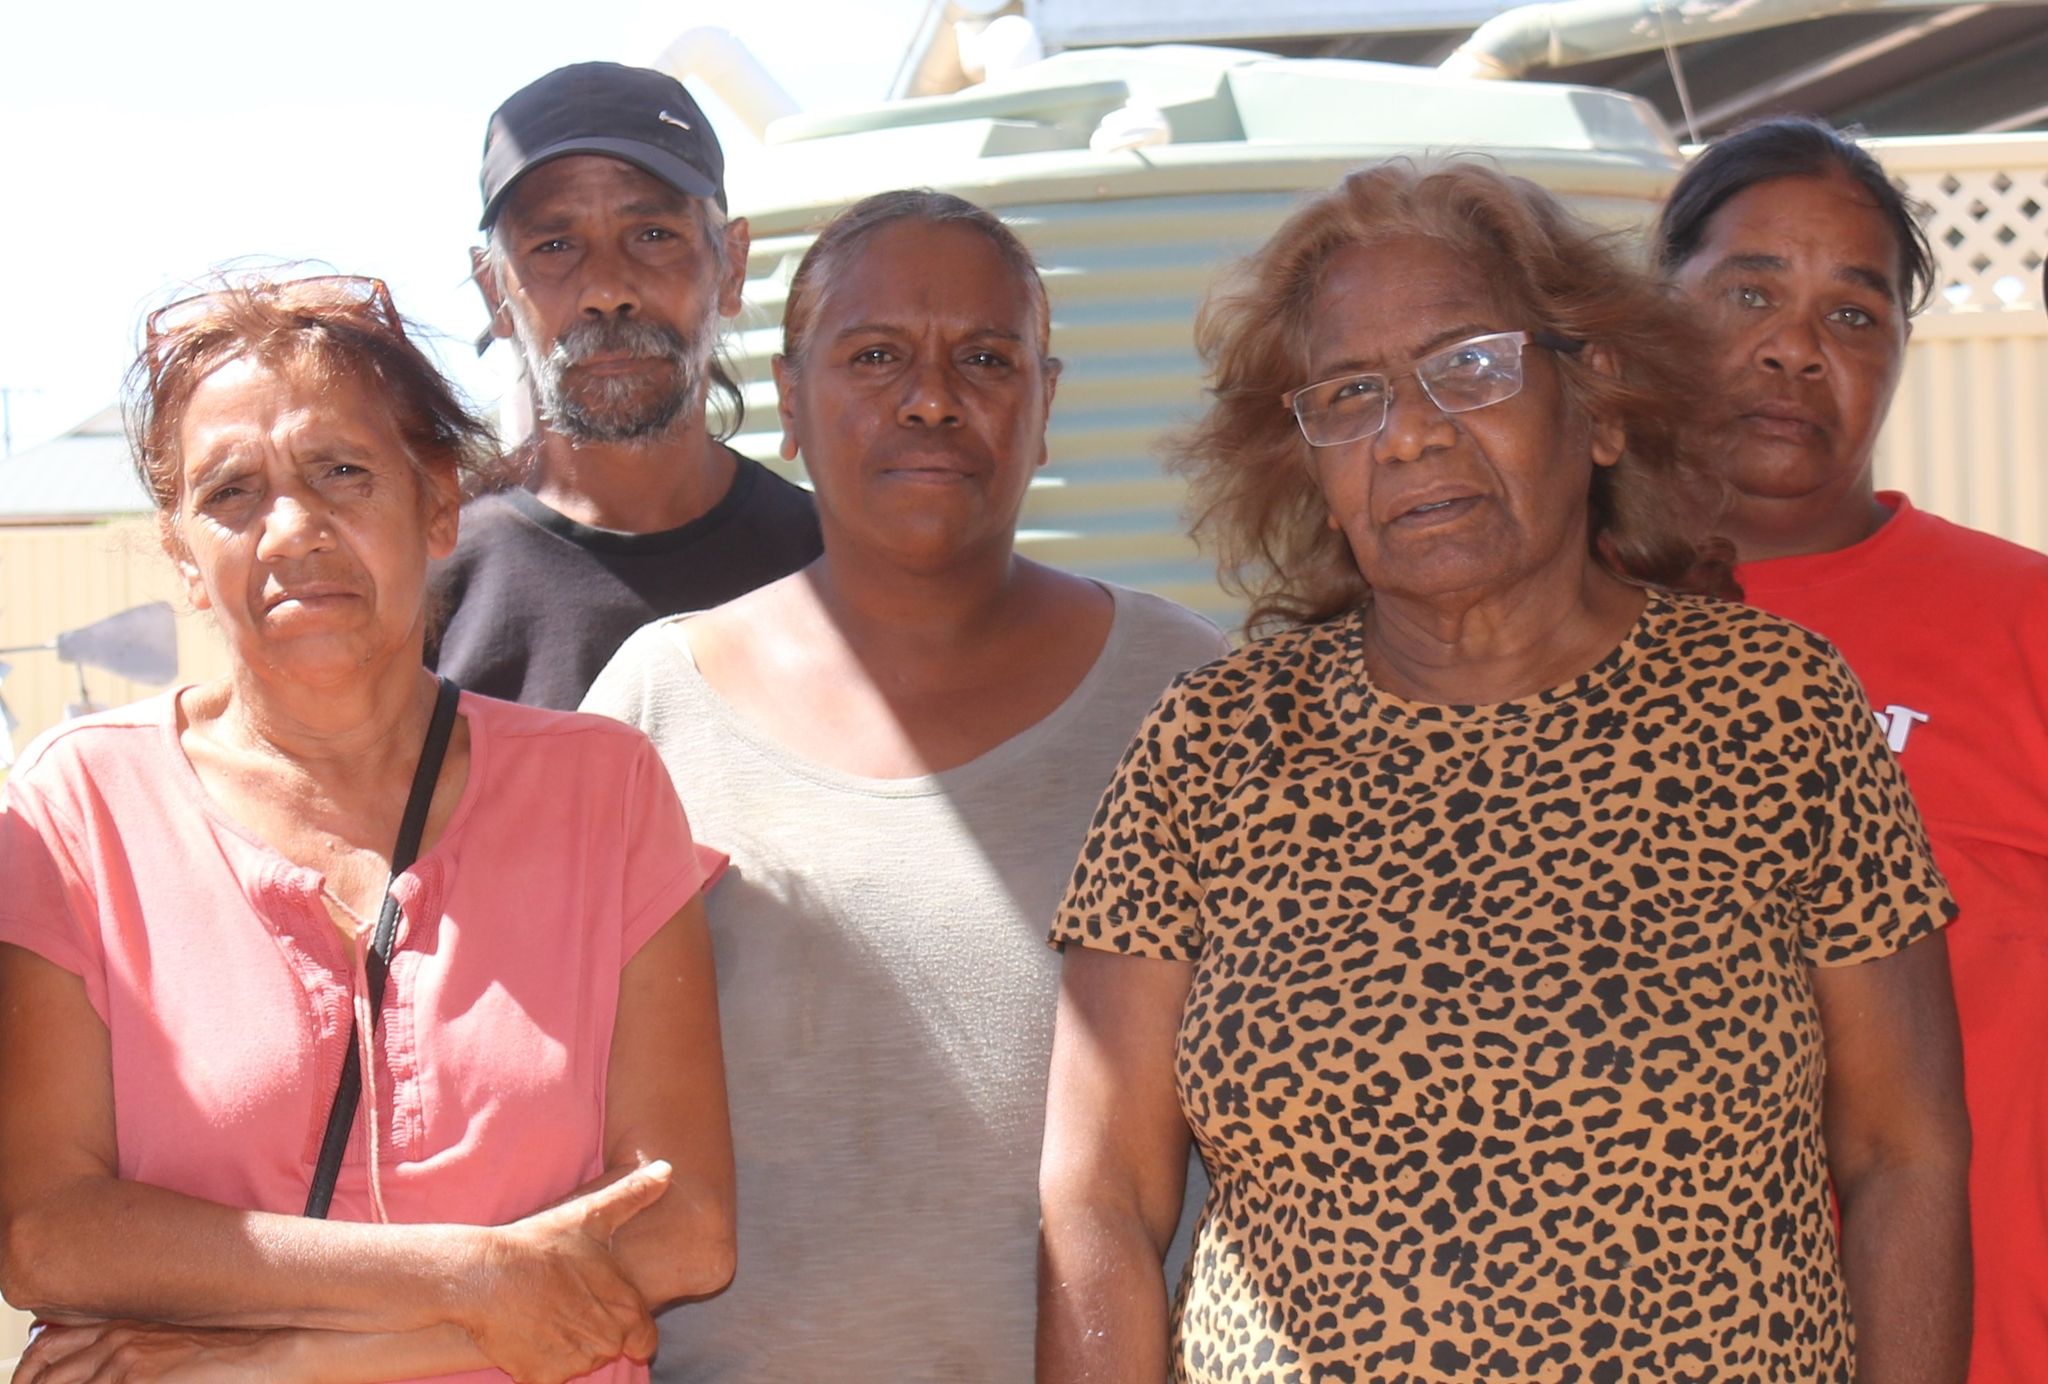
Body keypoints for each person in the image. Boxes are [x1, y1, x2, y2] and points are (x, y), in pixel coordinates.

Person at [1037, 160, 1972, 1384]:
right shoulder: (1209, 744)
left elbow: (1903, 1155)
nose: (1409, 431)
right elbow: (1097, 1193)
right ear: (1308, 464)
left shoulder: (1773, 707)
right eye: (1348, 394)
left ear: (1600, 407)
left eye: (1468, 367)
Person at [0, 275, 735, 1384]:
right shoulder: (78, 807)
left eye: (341, 471)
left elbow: (685, 1230)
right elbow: (49, 1233)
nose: (292, 527)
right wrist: (468, 1279)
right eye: (232, 493)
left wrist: (262, 1359)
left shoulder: (603, 790)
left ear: (438, 504)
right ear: (185, 556)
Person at [582, 189, 1226, 1381]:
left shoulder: (1188, 696)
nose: (931, 399)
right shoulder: (656, 703)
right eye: (875, 356)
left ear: (1045, 405)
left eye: (984, 358)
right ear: (788, 398)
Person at [1658, 114, 2048, 1384]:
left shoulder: (2020, 623)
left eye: (1851, 315)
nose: (1790, 348)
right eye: (1749, 290)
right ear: (1645, 317)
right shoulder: (1531, 635)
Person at [433, 62, 822, 709]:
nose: (607, 290)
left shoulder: (833, 571)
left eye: (652, 235)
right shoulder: (428, 599)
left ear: (732, 267)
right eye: (555, 245)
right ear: (494, 291)